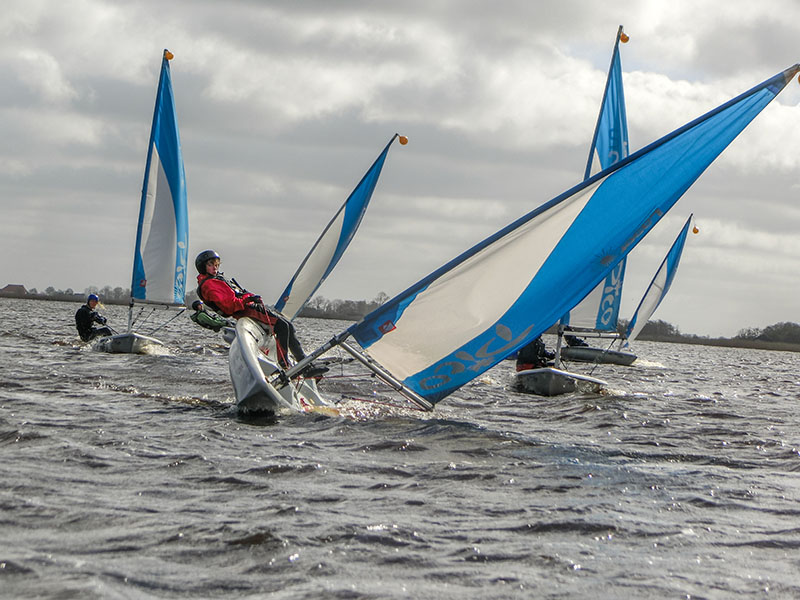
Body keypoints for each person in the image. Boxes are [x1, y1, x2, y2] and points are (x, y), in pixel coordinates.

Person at [194, 249, 327, 376]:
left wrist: (250, 297)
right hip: (245, 311)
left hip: (249, 307)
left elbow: (237, 295)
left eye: (216, 264)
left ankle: (304, 366)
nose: (215, 267)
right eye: (210, 265)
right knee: (283, 327)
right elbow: (229, 306)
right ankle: (286, 366)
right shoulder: (209, 285)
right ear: (202, 267)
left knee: (288, 326)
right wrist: (249, 299)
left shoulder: (216, 279)